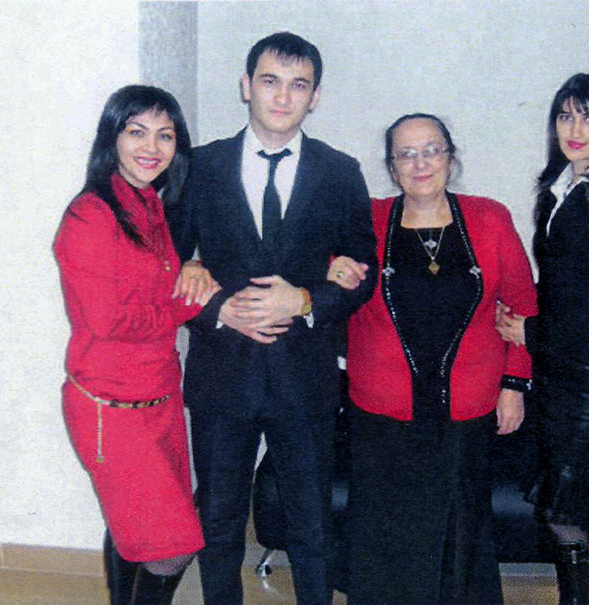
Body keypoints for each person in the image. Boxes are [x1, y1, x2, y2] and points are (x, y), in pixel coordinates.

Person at [165, 32, 377, 604]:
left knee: (311, 524)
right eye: (270, 81)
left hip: (303, 377)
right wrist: (218, 310)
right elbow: (167, 264)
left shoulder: (340, 171)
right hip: (221, 376)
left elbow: (363, 272)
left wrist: (305, 300)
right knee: (218, 522)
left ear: (316, 96)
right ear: (246, 86)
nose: (283, 97)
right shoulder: (200, 166)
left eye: (298, 85)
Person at [327, 113, 537, 604]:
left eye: (431, 150)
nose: (420, 163)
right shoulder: (366, 221)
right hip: (381, 411)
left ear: (450, 156)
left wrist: (514, 384)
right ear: (391, 166)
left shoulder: (490, 218)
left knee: (460, 532)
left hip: (467, 407)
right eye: (406, 154)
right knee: (386, 533)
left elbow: (523, 304)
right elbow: (318, 269)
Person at [54, 85, 219, 604]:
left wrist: (193, 266)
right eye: (137, 132)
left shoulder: (148, 204)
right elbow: (109, 320)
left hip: (158, 400)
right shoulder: (91, 215)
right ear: (112, 138)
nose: (152, 147)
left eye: (165, 135)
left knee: (135, 531)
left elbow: (159, 279)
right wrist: (188, 305)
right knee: (173, 546)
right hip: (113, 410)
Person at [496, 73, 589, 605]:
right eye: (566, 116)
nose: (575, 130)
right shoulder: (559, 188)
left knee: (566, 502)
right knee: (564, 497)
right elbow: (563, 283)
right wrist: (520, 312)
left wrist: (531, 330)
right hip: (557, 370)